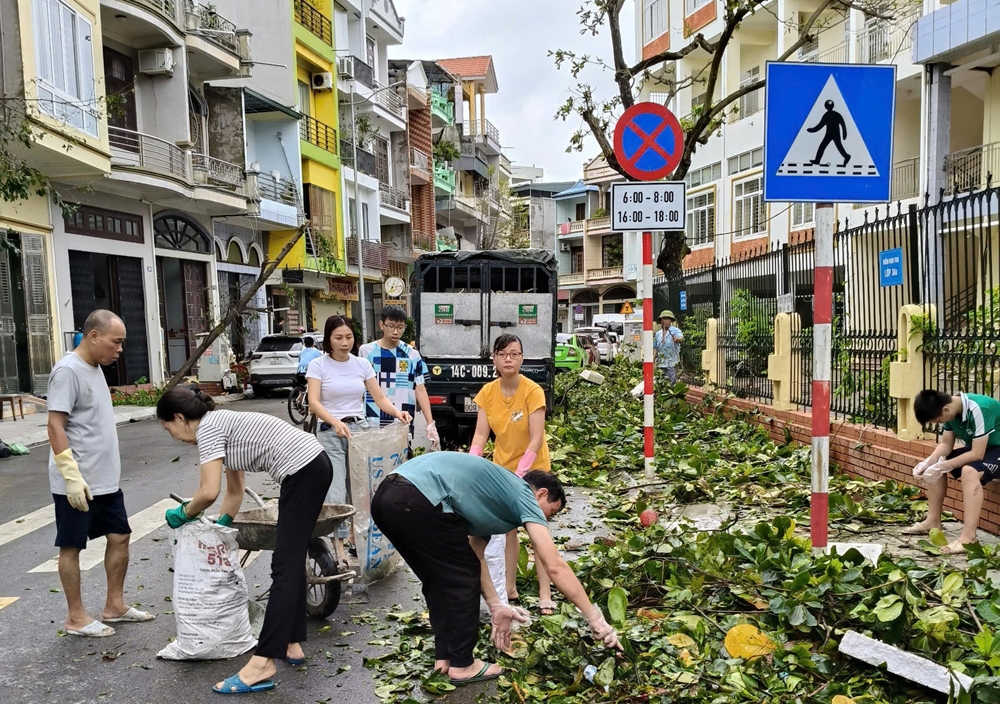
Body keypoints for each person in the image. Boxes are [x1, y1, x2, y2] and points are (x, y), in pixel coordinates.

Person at [371, 453, 621, 685]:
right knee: (460, 578)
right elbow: (554, 566)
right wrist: (595, 618)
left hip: (387, 499)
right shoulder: (522, 493)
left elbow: (475, 558)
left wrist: (497, 606)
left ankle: (445, 658)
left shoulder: (493, 502)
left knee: (441, 579)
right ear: (541, 494)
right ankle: (462, 665)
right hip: (416, 496)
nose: (546, 520)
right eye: (551, 512)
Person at [158, 386, 334, 694]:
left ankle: (263, 662)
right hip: (311, 465)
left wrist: (184, 512)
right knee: (289, 562)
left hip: (303, 470)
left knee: (284, 566)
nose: (172, 435)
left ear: (179, 417)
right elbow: (234, 491)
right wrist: (223, 523)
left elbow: (207, 492)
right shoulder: (220, 422)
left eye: (168, 428)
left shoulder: (209, 429)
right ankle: (292, 643)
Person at [46, 309, 155, 638]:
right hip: (78, 482)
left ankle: (114, 605)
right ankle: (76, 617)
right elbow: (55, 424)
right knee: (72, 546)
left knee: (120, 536)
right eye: (116, 342)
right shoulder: (68, 371)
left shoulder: (94, 367)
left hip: (106, 479)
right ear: (93, 336)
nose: (119, 349)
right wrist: (71, 476)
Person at [307, 315, 411, 564]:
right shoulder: (318, 365)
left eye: (349, 337)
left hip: (359, 431)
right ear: (328, 340)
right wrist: (335, 422)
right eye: (338, 338)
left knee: (362, 490)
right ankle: (340, 550)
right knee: (336, 491)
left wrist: (397, 412)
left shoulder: (362, 364)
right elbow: (314, 403)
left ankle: (361, 541)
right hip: (330, 432)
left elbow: (379, 398)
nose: (344, 342)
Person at [470, 334, 554, 614]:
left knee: (537, 531)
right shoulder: (487, 393)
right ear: (494, 358)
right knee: (507, 530)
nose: (509, 359)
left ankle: (545, 593)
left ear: (522, 358)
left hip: (534, 470)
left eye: (515, 354)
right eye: (503, 354)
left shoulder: (533, 391)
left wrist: (520, 474)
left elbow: (536, 437)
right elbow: (481, 436)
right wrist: (470, 466)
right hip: (503, 469)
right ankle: (509, 587)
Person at [904, 389, 1000, 553]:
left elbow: (977, 454)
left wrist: (942, 466)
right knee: (935, 466)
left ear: (945, 410)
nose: (939, 424)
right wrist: (929, 462)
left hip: (994, 449)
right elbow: (946, 445)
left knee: (969, 472)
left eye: (938, 421)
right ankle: (933, 520)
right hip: (986, 449)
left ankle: (968, 538)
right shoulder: (951, 409)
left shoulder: (979, 408)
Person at [359, 306, 439, 450]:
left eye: (400, 327)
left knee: (400, 467)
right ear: (381, 324)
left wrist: (430, 423)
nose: (396, 332)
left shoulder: (412, 354)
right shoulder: (366, 352)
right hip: (372, 421)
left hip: (403, 421)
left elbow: (420, 390)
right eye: (391, 326)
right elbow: (359, 388)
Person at [653, 310, 684, 384]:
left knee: (672, 384)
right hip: (661, 364)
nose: (665, 321)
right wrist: (653, 360)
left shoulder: (675, 331)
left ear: (671, 320)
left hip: (671, 364)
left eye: (667, 318)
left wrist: (676, 339)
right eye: (663, 319)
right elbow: (655, 347)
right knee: (660, 384)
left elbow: (681, 338)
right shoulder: (658, 334)